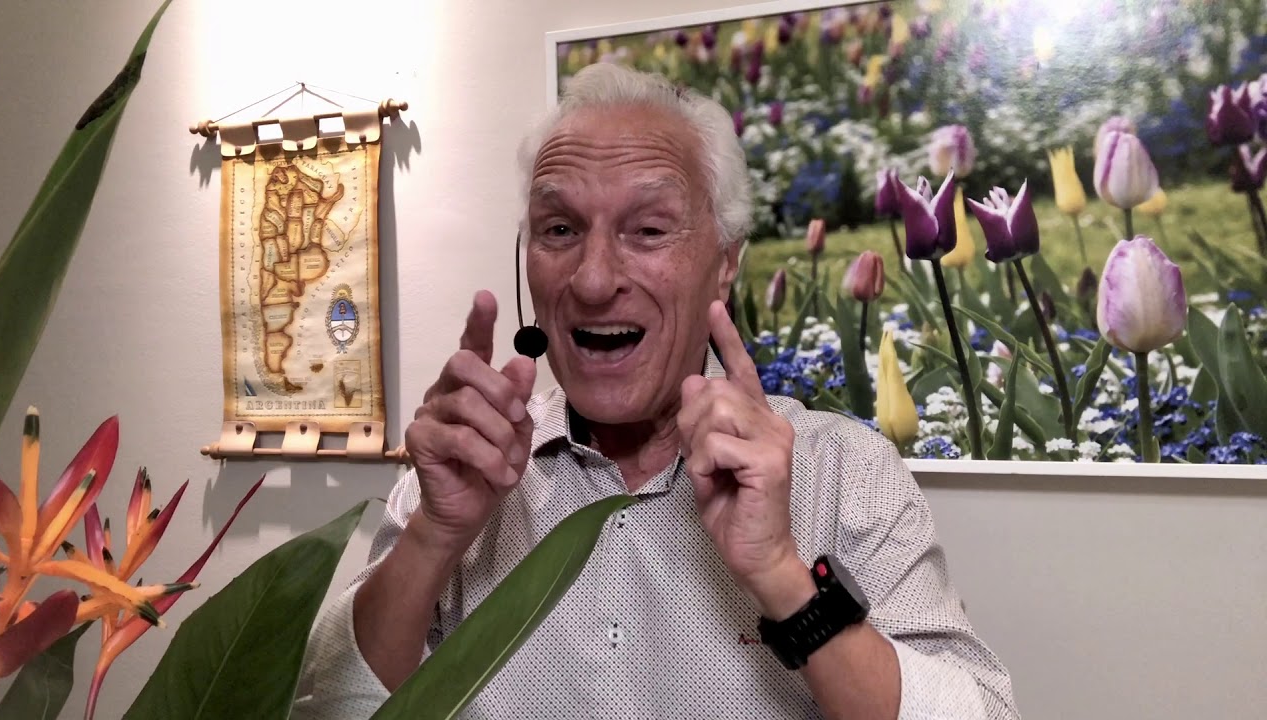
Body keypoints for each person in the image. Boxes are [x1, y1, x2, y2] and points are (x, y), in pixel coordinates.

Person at [292, 63, 1018, 719]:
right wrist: (433, 536)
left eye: (646, 230)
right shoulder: (469, 466)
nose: (593, 280)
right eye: (559, 228)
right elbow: (329, 709)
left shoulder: (843, 471)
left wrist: (782, 575)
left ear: (725, 265)